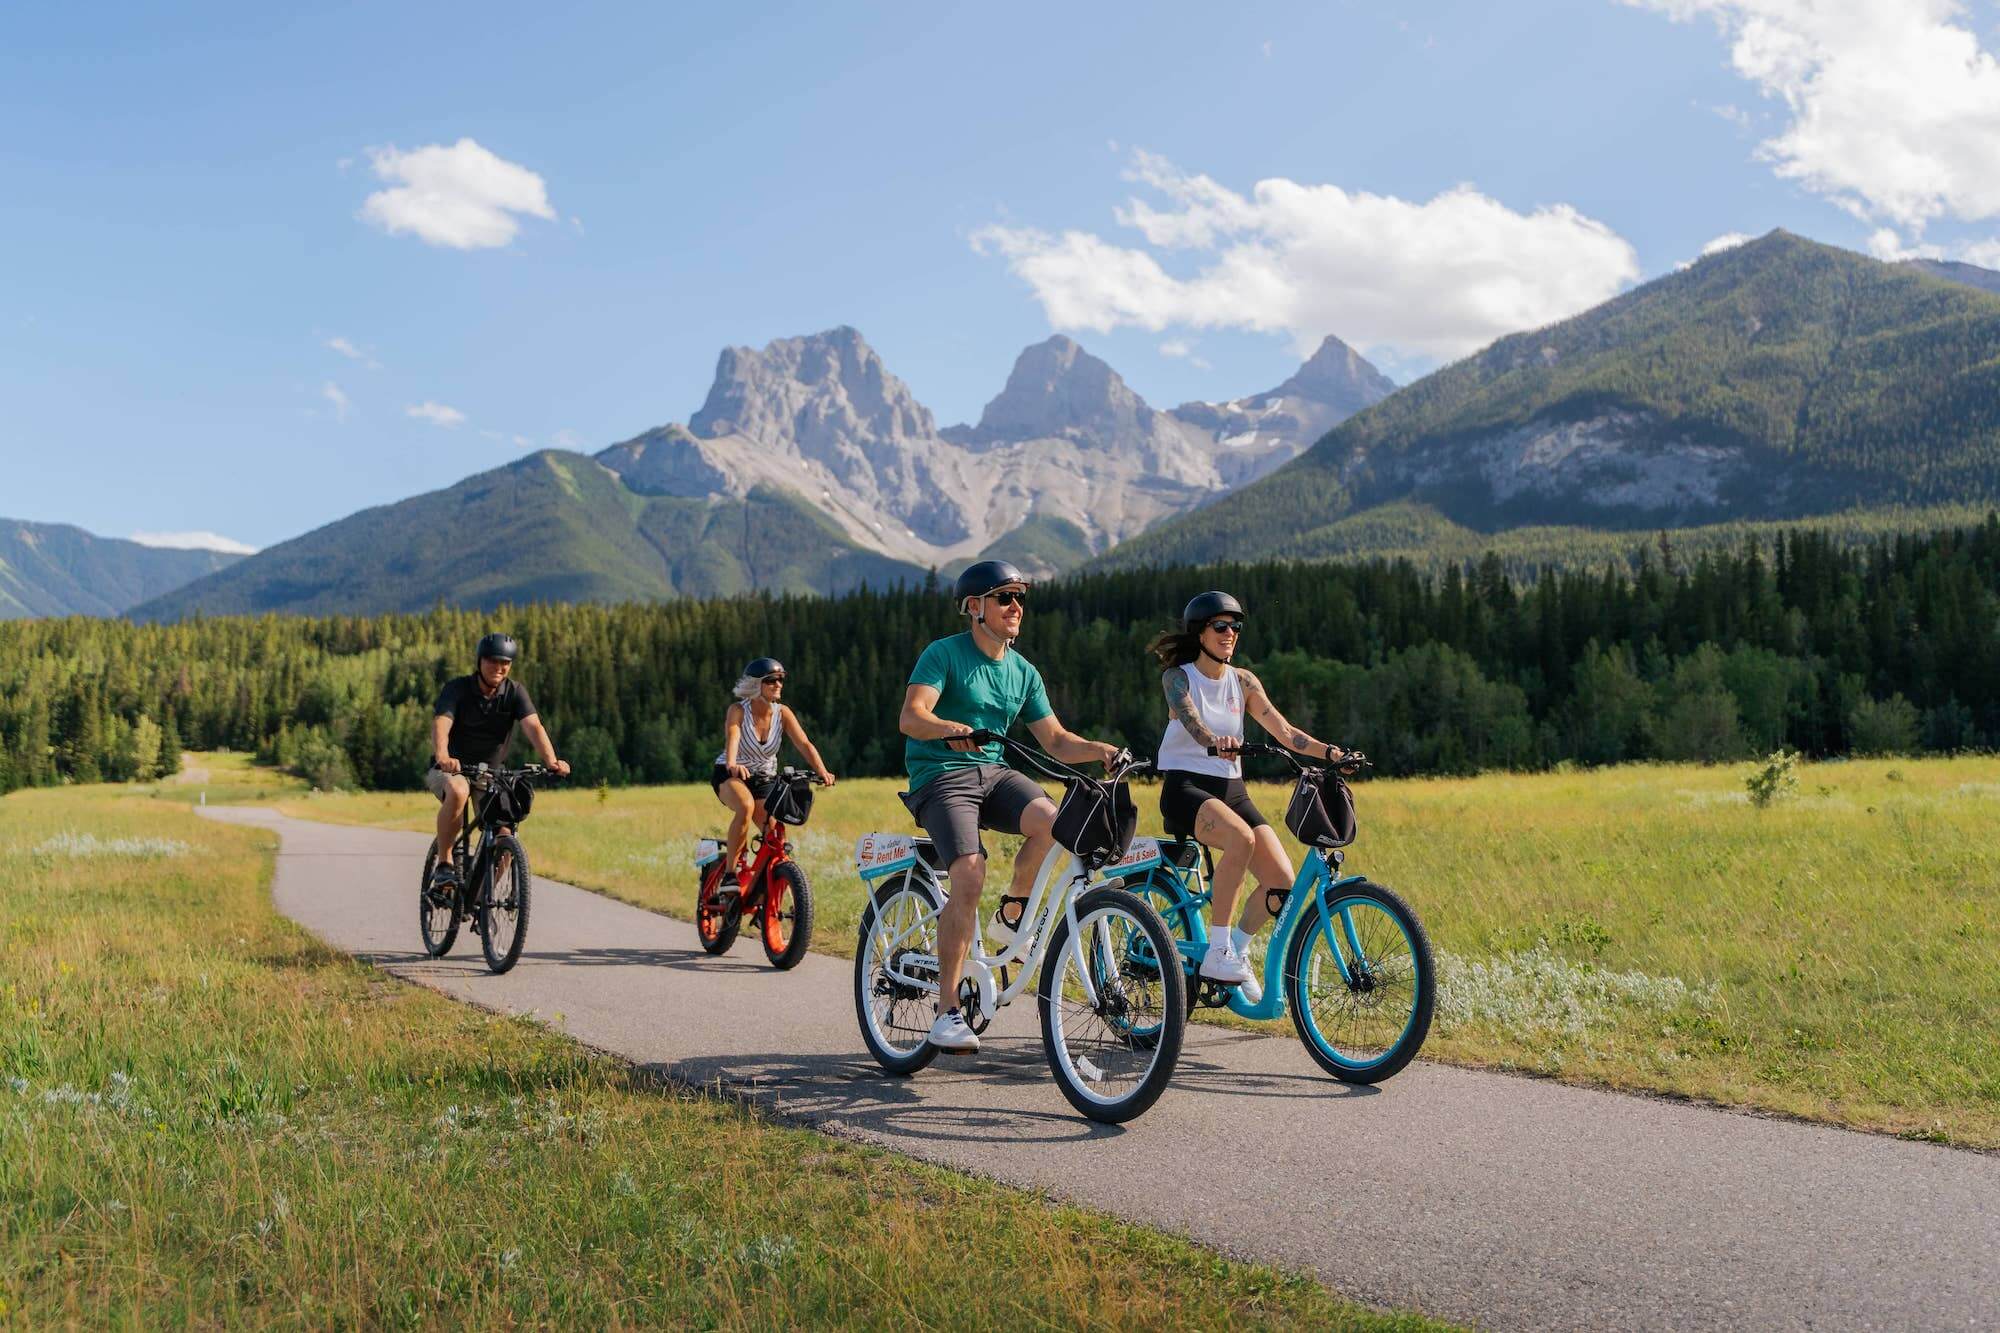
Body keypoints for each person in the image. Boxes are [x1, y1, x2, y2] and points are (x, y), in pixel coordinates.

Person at [898, 559, 1123, 1054]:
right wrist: (951, 730)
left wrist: (1101, 750)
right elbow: (912, 717)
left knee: (1056, 823)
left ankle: (1013, 910)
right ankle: (947, 1011)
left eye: (1020, 597)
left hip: (994, 773)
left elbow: (1057, 741)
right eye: (1005, 597)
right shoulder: (944, 654)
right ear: (975, 607)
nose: (1016, 606)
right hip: (940, 775)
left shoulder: (1023, 672)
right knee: (970, 873)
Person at [1151, 592, 1345, 1003]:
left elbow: (1286, 732)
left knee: (1282, 885)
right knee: (1241, 838)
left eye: (1235, 627)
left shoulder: (1244, 681)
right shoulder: (1179, 677)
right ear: (1200, 632)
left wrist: (1332, 753)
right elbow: (1192, 720)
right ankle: (1217, 951)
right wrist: (1212, 741)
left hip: (1231, 789)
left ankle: (1236, 950)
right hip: (1187, 787)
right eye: (1220, 626)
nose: (1230, 634)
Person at [426, 633, 570, 893]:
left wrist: (551, 761)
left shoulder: (514, 692)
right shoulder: (457, 688)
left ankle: (482, 897)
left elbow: (533, 726)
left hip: (491, 774)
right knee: (459, 791)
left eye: (505, 662)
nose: (499, 668)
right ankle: (445, 864)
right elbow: (441, 722)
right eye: (493, 661)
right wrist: (443, 756)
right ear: (480, 662)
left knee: (505, 835)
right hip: (451, 769)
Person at [709, 656, 837, 876]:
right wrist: (732, 764)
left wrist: (822, 771)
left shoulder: (782, 713)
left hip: (763, 779)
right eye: (772, 680)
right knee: (745, 807)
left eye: (781, 679)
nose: (778, 684)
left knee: (775, 833)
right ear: (756, 685)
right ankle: (731, 873)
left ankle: (770, 884)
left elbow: (804, 743)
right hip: (731, 775)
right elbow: (733, 736)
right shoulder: (738, 710)